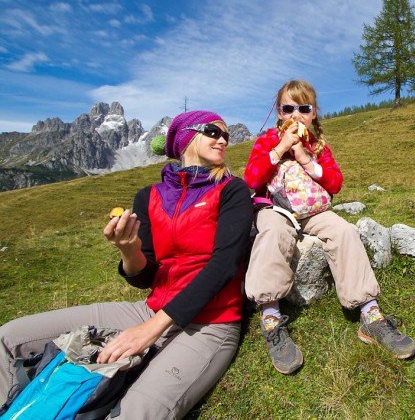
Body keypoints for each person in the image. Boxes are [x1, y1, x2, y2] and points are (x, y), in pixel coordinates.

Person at [0, 110, 254, 417]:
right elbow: (144, 277)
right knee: (8, 337)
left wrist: (149, 330)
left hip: (210, 324)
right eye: (214, 131)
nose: (223, 139)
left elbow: (224, 266)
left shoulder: (231, 190)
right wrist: (129, 250)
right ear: (186, 136)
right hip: (150, 309)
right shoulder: (149, 196)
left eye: (226, 134)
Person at [244, 79, 415, 374]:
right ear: (279, 113)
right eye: (289, 108)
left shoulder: (318, 146)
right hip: (274, 208)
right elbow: (251, 179)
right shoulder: (266, 141)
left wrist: (306, 159)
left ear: (313, 114)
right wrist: (280, 149)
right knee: (274, 232)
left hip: (313, 211)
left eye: (304, 108)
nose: (296, 115)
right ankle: (271, 315)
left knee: (344, 231)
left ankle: (369, 313)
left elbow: (335, 183)